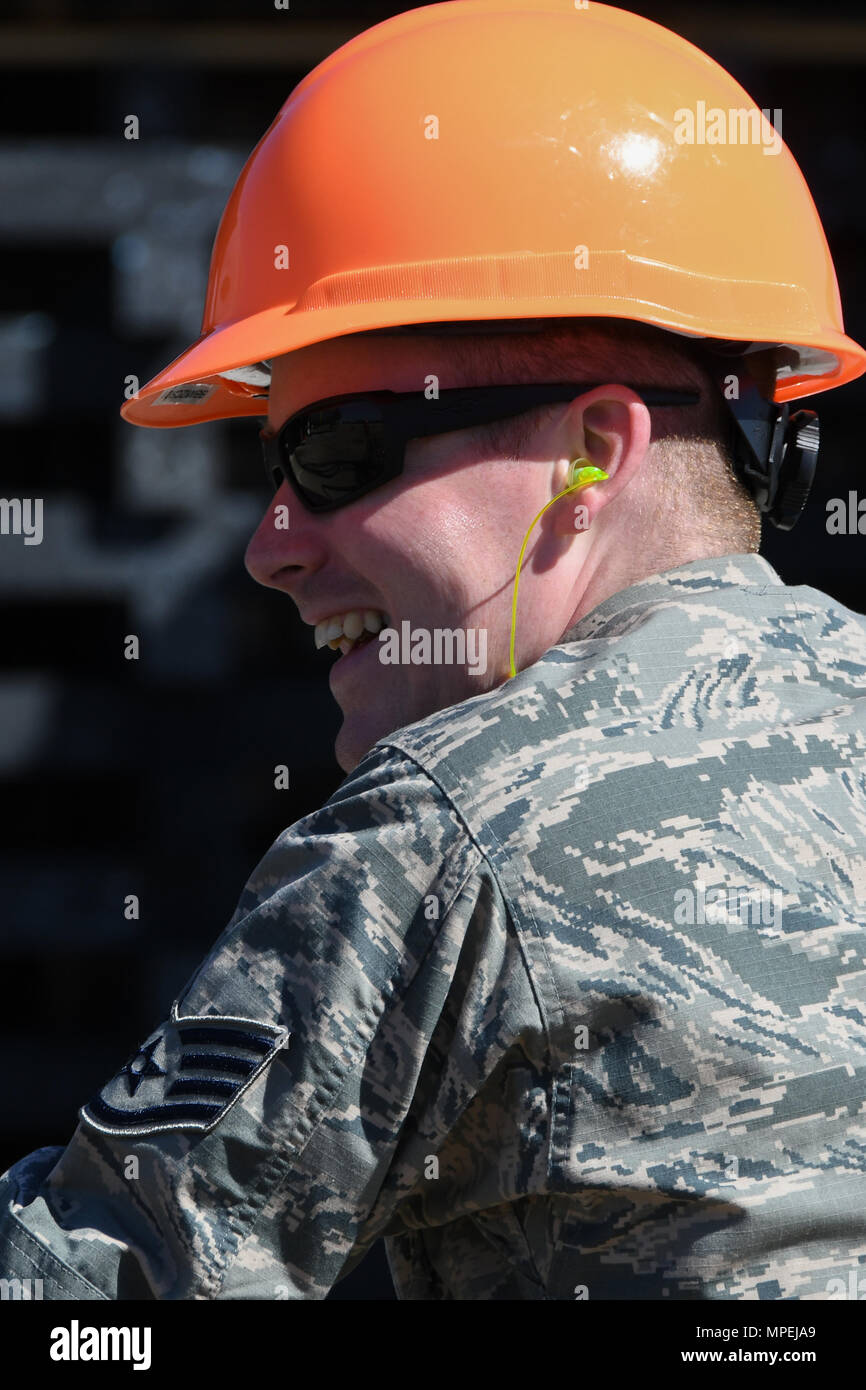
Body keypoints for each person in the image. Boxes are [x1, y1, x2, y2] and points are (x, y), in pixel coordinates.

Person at [1, 0, 865, 1301]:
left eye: (337, 454)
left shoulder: (443, 835)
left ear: (590, 455)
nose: (269, 545)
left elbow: (81, 1306)